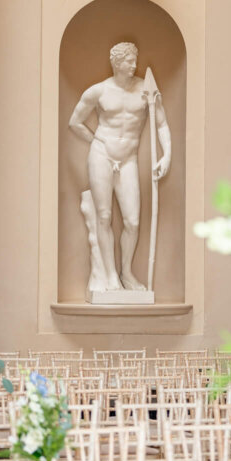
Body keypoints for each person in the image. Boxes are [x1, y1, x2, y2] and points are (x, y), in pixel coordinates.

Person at [69, 41, 171, 291]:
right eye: (128, 61)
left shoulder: (145, 90)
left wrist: (167, 154)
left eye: (135, 60)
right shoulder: (99, 91)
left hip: (129, 159)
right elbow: (75, 122)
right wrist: (96, 141)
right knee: (103, 216)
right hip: (101, 154)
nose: (134, 65)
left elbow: (161, 124)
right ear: (116, 63)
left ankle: (127, 273)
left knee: (133, 221)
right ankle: (111, 275)